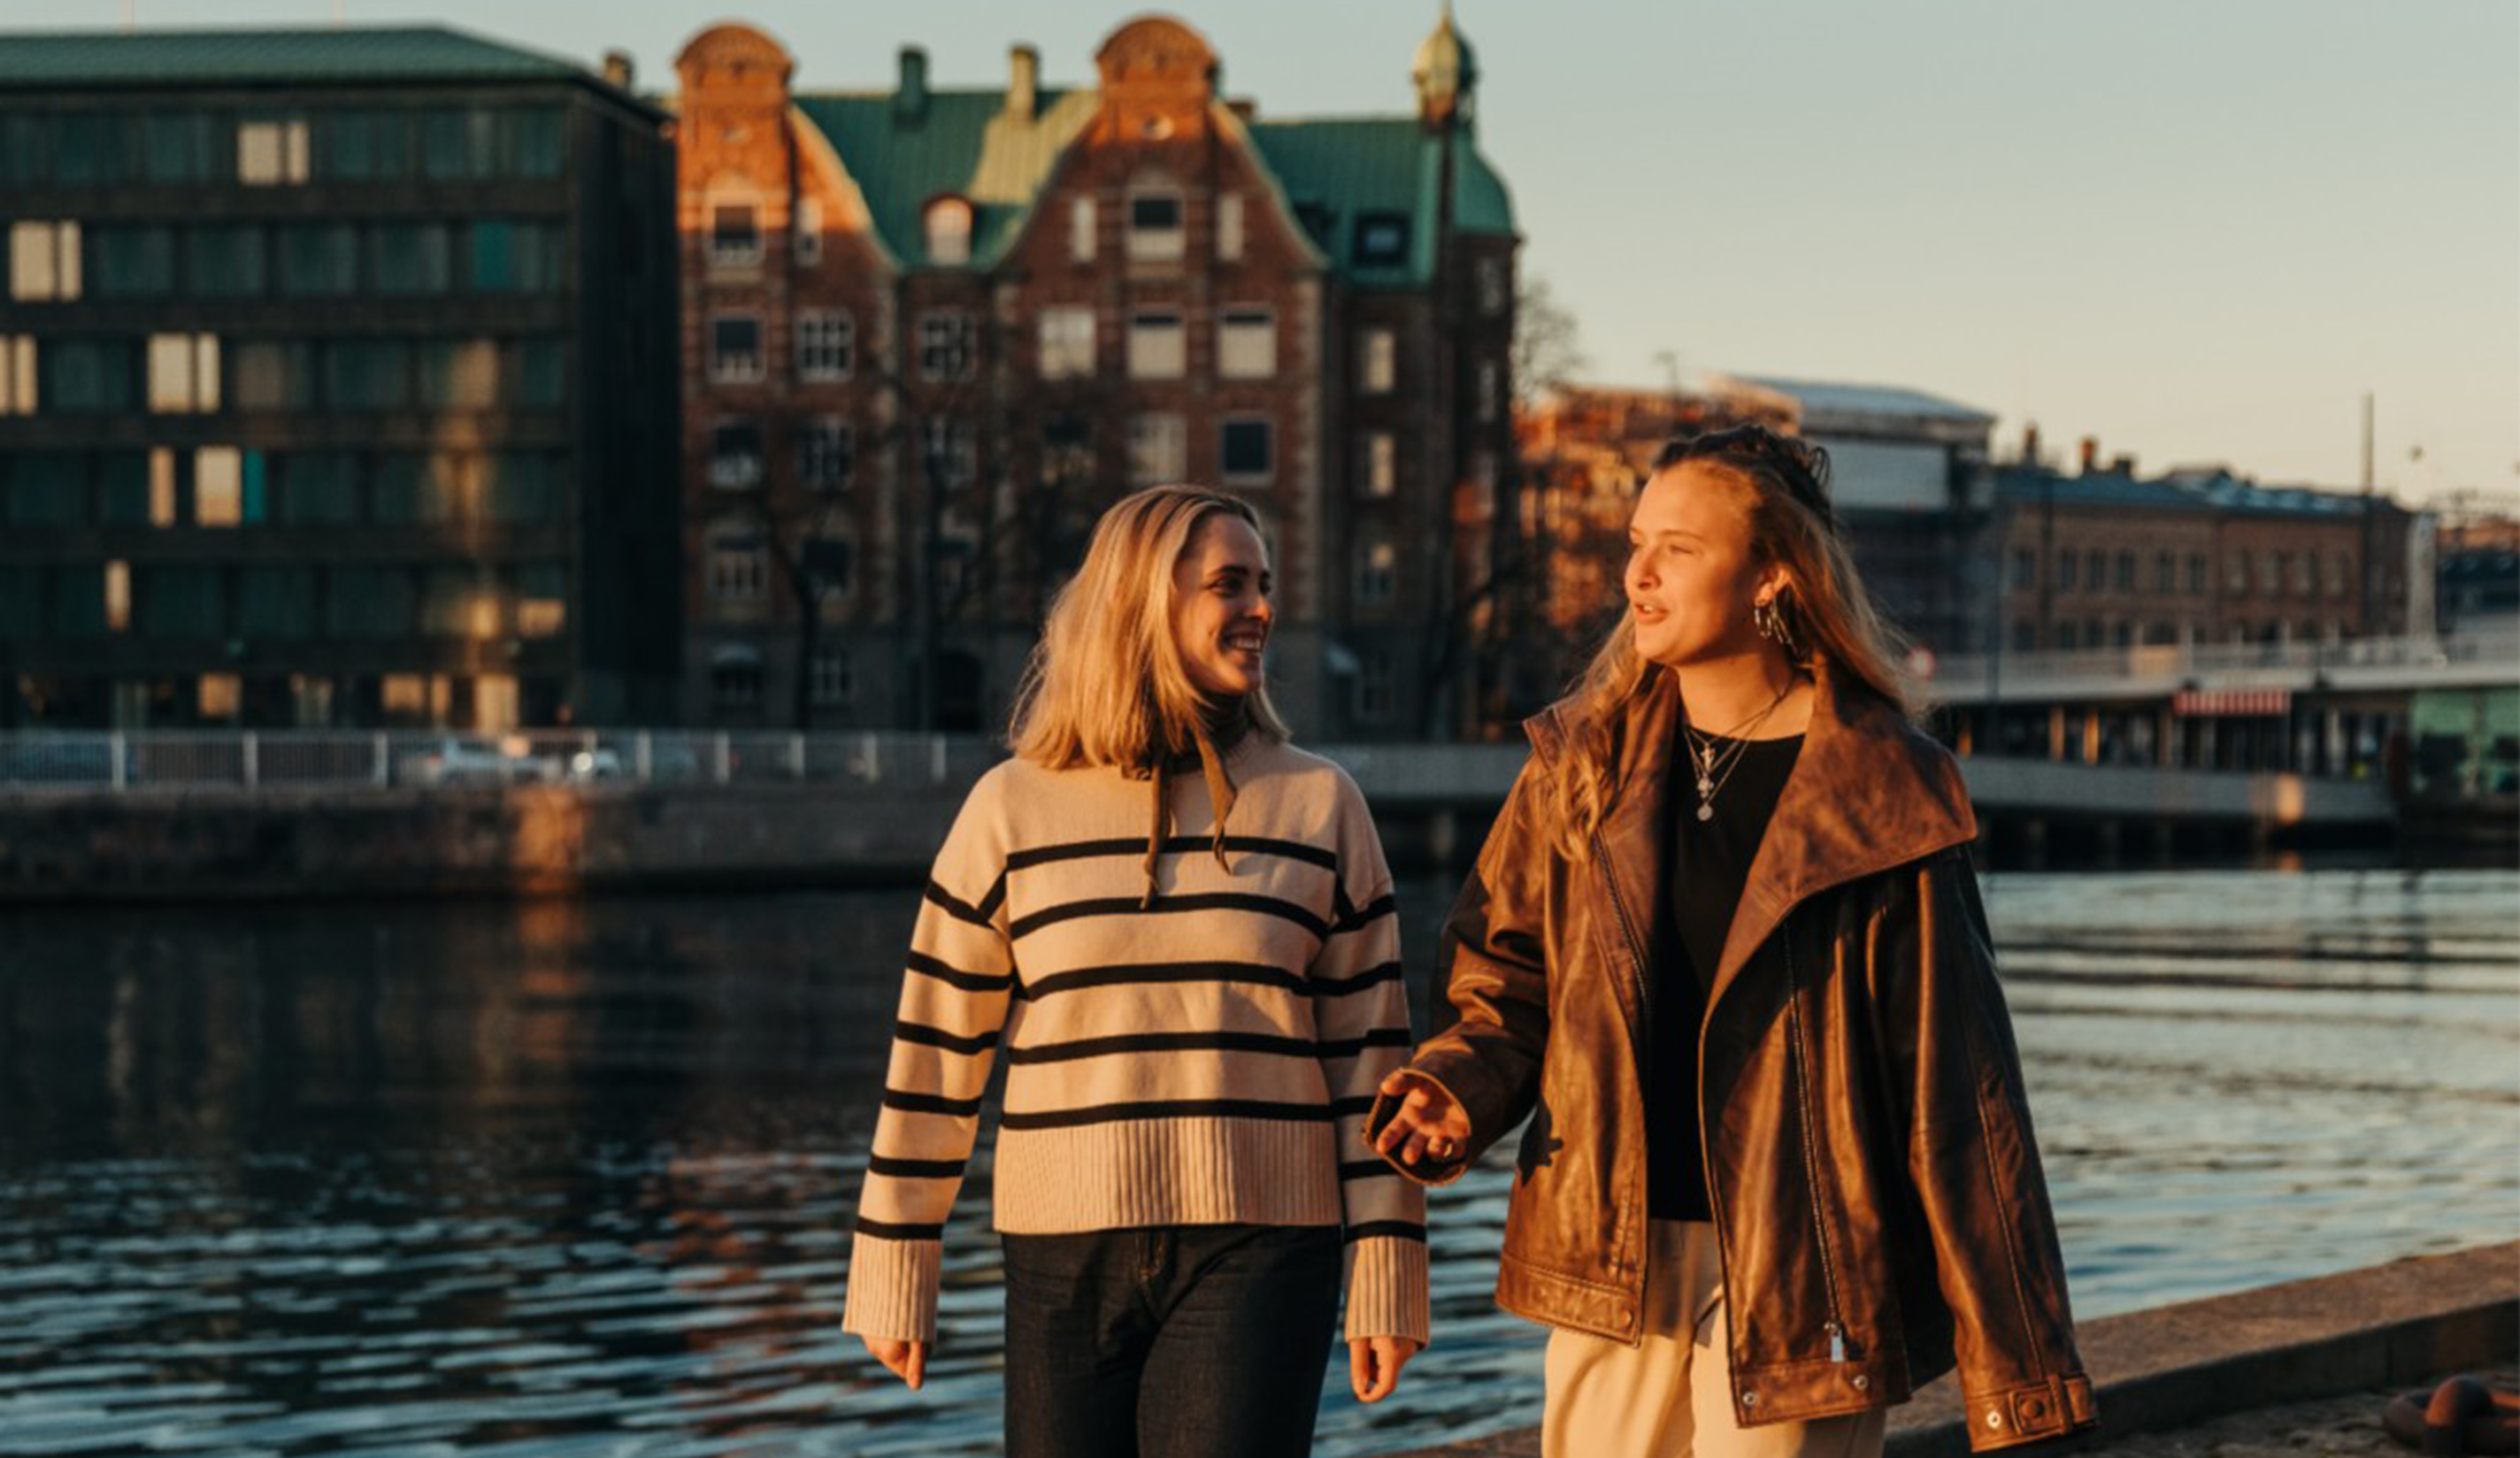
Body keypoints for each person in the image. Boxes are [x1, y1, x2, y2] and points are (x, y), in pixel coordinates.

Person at [1367, 426, 2097, 1456]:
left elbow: (1957, 1090)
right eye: (1636, 542)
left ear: (1770, 575)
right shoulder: (1581, 762)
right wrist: (1462, 1079)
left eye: (1680, 548)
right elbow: (1507, 976)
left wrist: (2020, 1372)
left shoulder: (1882, 788)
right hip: (1606, 1253)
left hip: (1806, 1267)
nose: (1639, 575)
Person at [843, 486, 1432, 1457]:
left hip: (1265, 1241)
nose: (1262, 608)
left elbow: (1372, 1067)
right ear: (1140, 602)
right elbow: (936, 1050)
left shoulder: (1322, 805)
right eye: (1229, 584)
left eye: (1266, 584)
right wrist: (896, 1253)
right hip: (1058, 1247)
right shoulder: (1009, 810)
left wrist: (1387, 1268)